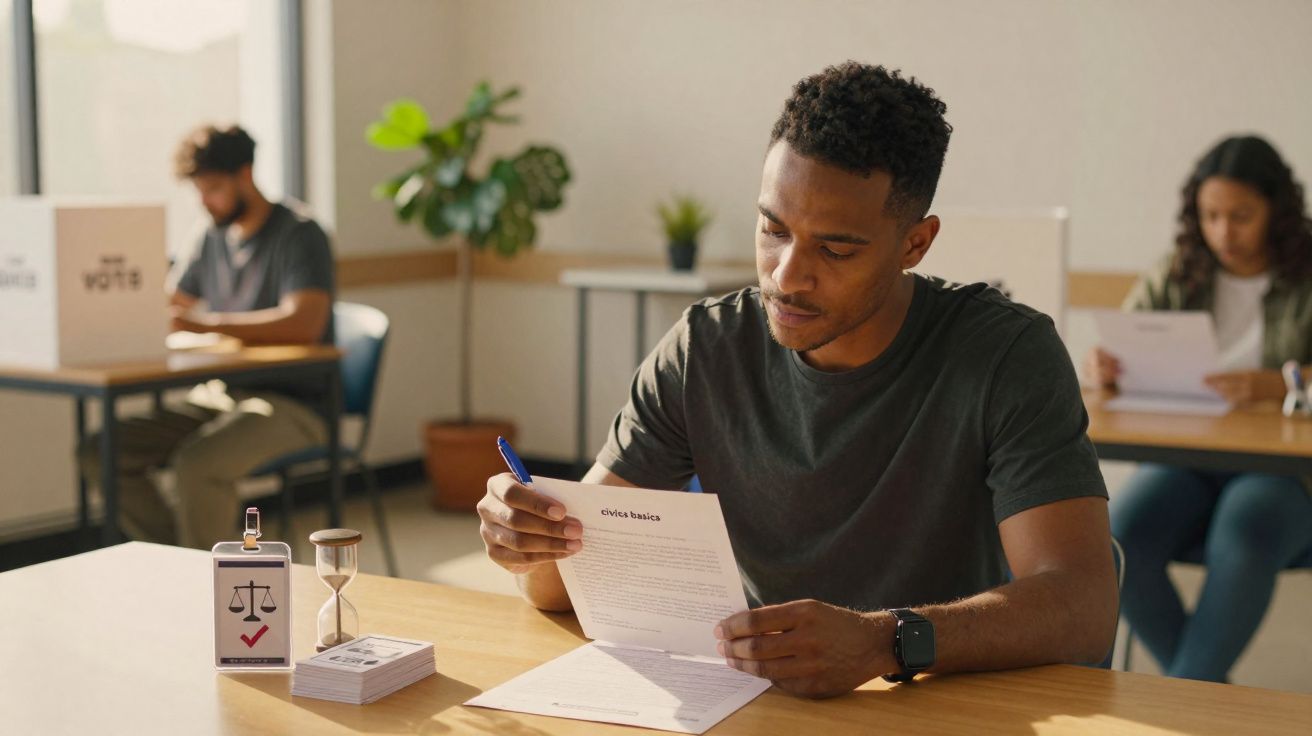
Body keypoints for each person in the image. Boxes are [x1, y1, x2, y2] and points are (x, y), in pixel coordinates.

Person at [478, 62, 1117, 698]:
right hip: (762, 699)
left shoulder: (1006, 355)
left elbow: (1084, 605)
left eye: (835, 250)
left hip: (942, 703)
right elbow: (559, 588)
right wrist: (528, 538)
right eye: (773, 230)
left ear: (915, 244)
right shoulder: (705, 350)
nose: (786, 276)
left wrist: (883, 641)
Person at [1085, 135, 1312, 683]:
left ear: (1276, 211)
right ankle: (1202, 698)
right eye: (1211, 216)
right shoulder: (1179, 269)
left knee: (1245, 526)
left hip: (1285, 471)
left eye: (1241, 216)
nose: (1223, 232)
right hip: (1186, 460)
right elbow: (1123, 344)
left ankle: (1189, 704)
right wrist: (1103, 368)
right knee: (1117, 536)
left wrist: (1274, 385)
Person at [77, 124, 336, 550]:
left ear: (245, 174)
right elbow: (170, 305)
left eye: (213, 188)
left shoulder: (300, 233)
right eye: (198, 191)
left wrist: (206, 324)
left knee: (198, 464)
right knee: (101, 450)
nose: (204, 202)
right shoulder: (210, 236)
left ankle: (203, 574)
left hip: (296, 406)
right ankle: (180, 559)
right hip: (220, 395)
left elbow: (304, 323)